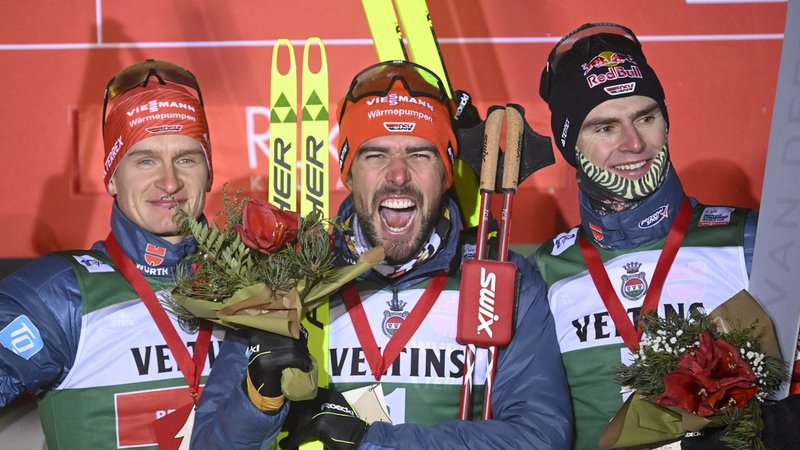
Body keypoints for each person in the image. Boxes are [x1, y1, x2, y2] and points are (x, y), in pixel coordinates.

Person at [192, 60, 572, 449]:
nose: (398, 175)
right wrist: (257, 403)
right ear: (348, 172)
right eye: (376, 155)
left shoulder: (502, 279)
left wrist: (371, 442)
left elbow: (539, 437)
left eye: (420, 154)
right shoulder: (287, 278)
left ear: (445, 173)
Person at [533, 22, 800, 449]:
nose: (633, 143)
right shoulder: (544, 270)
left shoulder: (749, 241)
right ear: (571, 147)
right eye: (605, 128)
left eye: (646, 118)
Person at [0, 59, 220, 449]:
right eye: (146, 160)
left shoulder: (257, 286)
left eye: (186, 159)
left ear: (209, 172)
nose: (169, 181)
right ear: (112, 177)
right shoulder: (58, 296)